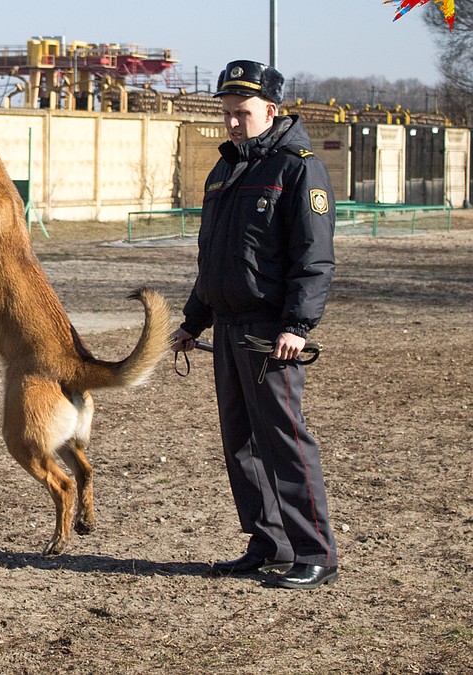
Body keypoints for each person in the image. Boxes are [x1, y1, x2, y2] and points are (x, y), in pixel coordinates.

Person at [170, 59, 339, 590]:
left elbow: (314, 258)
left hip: (271, 332)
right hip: (226, 328)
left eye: (242, 113)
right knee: (240, 442)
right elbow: (214, 259)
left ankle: (315, 551)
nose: (233, 123)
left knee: (284, 441)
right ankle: (269, 541)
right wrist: (192, 321)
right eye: (227, 114)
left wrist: (298, 324)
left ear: (271, 109)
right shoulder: (225, 169)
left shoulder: (297, 167)